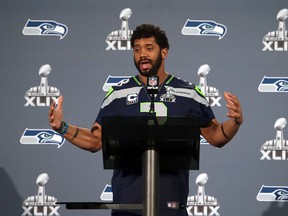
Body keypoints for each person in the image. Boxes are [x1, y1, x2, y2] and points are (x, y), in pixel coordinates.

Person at [48, 24, 243, 216]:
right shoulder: (117, 94)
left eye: (149, 48)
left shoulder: (190, 94)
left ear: (164, 53)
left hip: (171, 205)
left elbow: (216, 137)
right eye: (137, 49)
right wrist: (62, 127)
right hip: (127, 207)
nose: (142, 54)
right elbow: (95, 141)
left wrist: (234, 122)